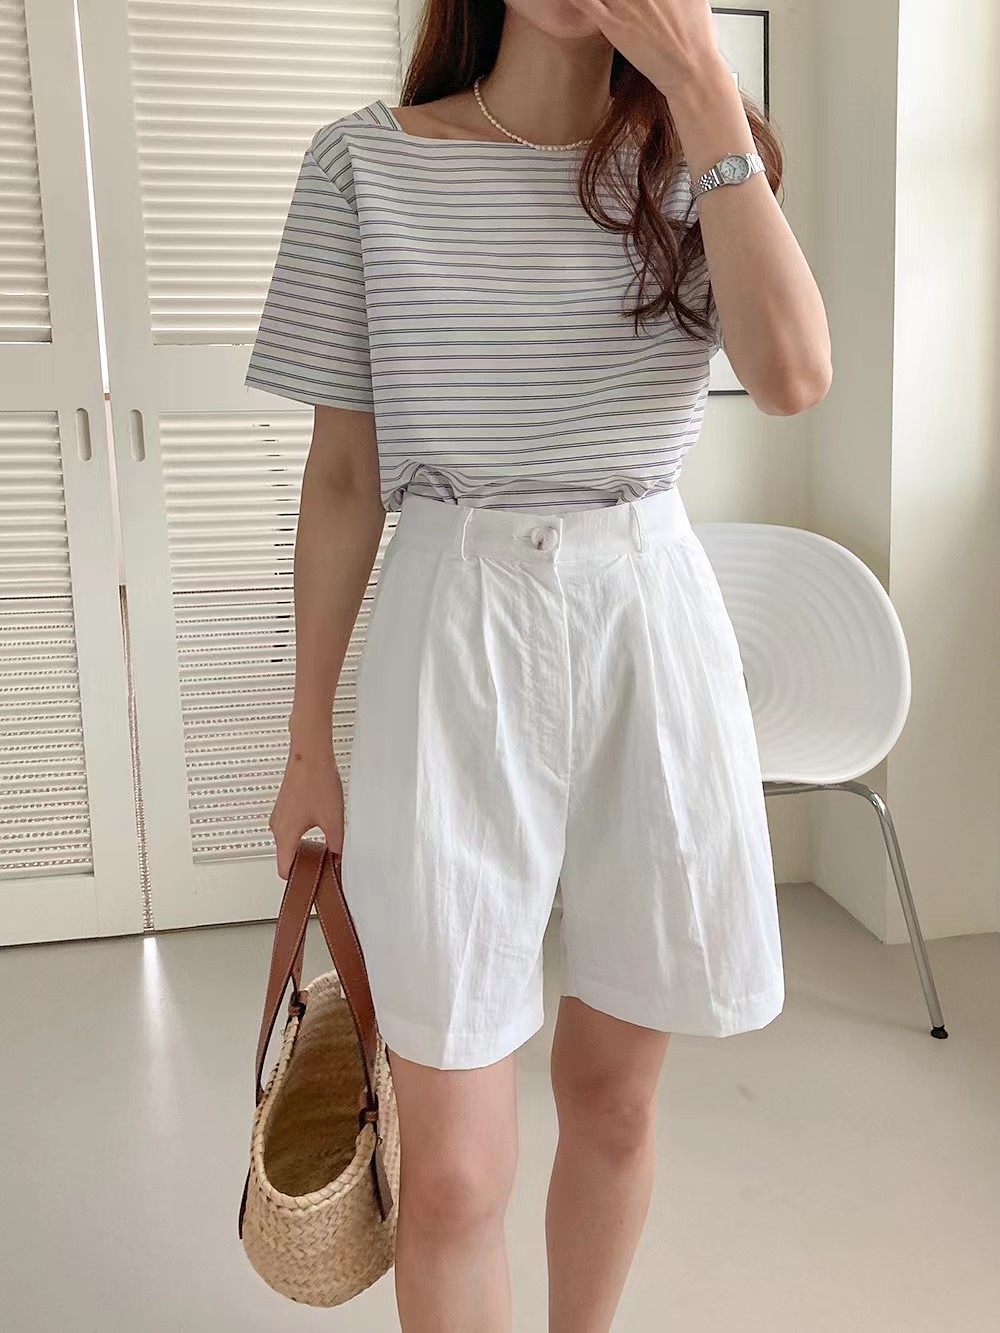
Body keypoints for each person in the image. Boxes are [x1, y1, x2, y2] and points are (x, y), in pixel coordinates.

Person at [246, 2, 831, 1328]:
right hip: (450, 630)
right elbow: (342, 478)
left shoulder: (700, 157)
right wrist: (307, 740)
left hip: (648, 627)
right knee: (454, 1172)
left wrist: (704, 87)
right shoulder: (365, 163)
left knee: (613, 1099)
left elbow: (794, 375)